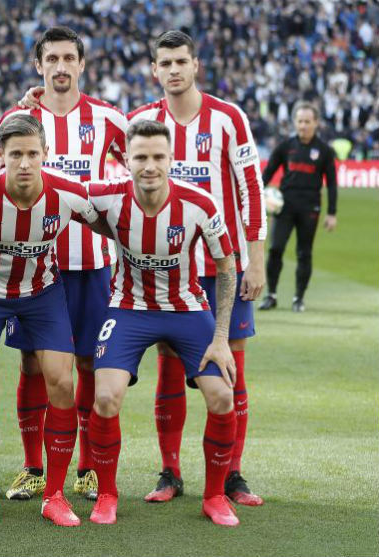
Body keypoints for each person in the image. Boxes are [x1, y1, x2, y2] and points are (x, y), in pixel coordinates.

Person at [128, 30, 266, 506]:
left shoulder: (228, 118)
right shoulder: (142, 121)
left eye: (180, 61)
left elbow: (251, 189)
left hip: (225, 266)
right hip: (169, 271)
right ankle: (170, 471)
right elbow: (101, 151)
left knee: (231, 370)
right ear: (154, 70)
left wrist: (256, 259)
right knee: (170, 372)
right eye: (164, 63)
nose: (173, 70)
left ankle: (232, 474)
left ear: (195, 64)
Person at [0, 114, 104, 527]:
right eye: (15, 154)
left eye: (33, 153)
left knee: (63, 383)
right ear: (0, 156)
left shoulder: (69, 193)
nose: (24, 163)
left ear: (45, 155)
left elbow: (109, 219)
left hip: (42, 294)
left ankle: (54, 495)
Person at [85, 119, 240, 527]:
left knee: (223, 397)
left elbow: (226, 268)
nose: (149, 165)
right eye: (140, 157)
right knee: (105, 398)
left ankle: (214, 496)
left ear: (172, 160)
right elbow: (60, 188)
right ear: (127, 161)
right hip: (127, 309)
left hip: (187, 309)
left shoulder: (199, 203)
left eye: (157, 157)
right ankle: (106, 494)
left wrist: (221, 338)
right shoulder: (108, 195)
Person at [1, 26, 127, 502]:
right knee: (34, 363)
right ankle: (34, 466)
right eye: (50, 58)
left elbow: (140, 166)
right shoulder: (20, 117)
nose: (59, 66)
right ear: (39, 65)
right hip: (36, 266)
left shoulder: (108, 119)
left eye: (67, 57)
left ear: (81, 64)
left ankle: (89, 468)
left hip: (93, 263)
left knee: (90, 363)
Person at [260, 101, 338, 312]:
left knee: (304, 253)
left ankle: (298, 299)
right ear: (295, 122)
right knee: (275, 249)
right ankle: (271, 295)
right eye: (300, 121)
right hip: (284, 207)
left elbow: (331, 184)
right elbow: (266, 175)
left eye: (307, 121)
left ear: (316, 123)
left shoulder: (324, 151)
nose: (303, 125)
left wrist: (331, 213)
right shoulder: (285, 147)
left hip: (310, 208)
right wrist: (254, 195)